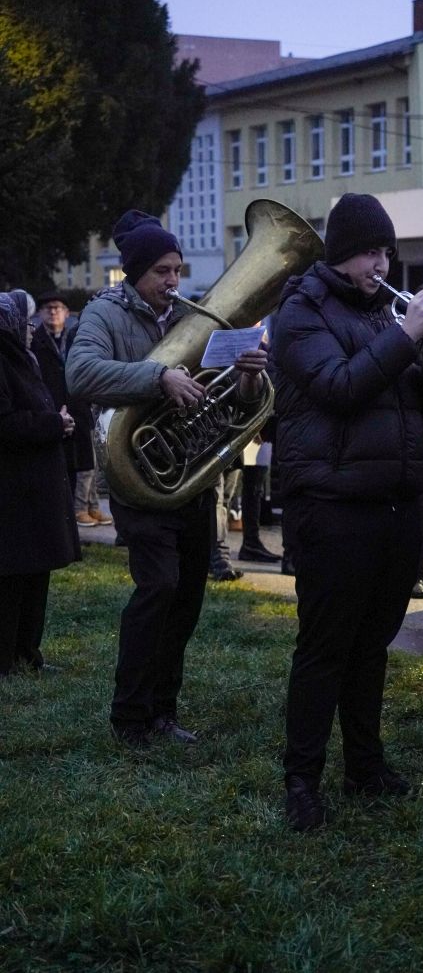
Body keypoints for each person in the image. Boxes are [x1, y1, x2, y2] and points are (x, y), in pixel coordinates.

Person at [271, 192, 423, 830]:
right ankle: (302, 781)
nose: (381, 264)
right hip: (331, 503)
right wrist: (409, 335)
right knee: (325, 647)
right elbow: (339, 387)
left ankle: (365, 765)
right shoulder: (302, 311)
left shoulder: (387, 313)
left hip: (395, 501)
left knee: (372, 645)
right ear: (342, 253)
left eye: (386, 251)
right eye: (370, 252)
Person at [66, 209, 267, 746]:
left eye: (177, 269)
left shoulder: (184, 315)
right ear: (135, 273)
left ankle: (163, 712)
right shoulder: (104, 315)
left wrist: (247, 382)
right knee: (158, 590)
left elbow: (219, 399)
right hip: (137, 479)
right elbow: (80, 373)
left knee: (186, 601)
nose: (173, 280)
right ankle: (129, 716)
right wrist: (159, 376)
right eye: (161, 271)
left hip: (188, 478)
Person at [0, 292, 80, 677]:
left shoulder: (20, 356)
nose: (32, 328)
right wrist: (53, 424)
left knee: (34, 576)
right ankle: (8, 661)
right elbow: (5, 424)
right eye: (25, 320)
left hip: (32, 489)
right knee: (12, 582)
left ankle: (27, 656)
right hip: (14, 492)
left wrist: (56, 420)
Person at [32, 291, 111, 527]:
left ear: (67, 313)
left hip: (79, 405)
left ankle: (93, 506)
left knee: (90, 459)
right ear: (40, 313)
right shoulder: (37, 341)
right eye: (48, 308)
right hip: (55, 408)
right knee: (73, 462)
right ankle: (79, 510)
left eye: (58, 308)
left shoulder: (75, 337)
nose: (53, 312)